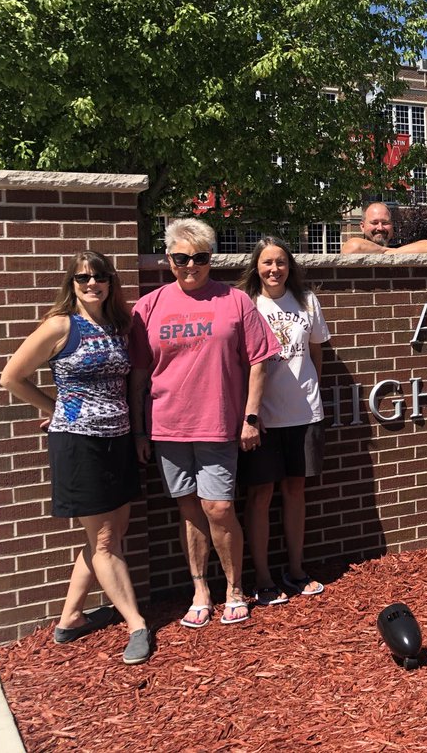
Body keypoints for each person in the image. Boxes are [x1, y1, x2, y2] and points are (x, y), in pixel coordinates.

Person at [0, 252, 152, 665]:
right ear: (72, 282)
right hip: (79, 444)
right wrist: (53, 408)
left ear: (110, 281)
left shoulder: (119, 325)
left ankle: (69, 618)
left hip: (117, 440)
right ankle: (136, 624)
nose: (92, 283)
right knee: (105, 541)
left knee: (109, 536)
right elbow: (11, 377)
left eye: (100, 276)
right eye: (83, 276)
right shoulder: (60, 325)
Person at [128, 218, 280, 628]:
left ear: (211, 259)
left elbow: (260, 361)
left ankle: (234, 588)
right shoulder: (149, 306)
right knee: (190, 510)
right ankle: (200, 589)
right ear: (168, 259)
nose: (190, 265)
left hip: (218, 424)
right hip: (167, 426)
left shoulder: (234, 301)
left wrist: (251, 416)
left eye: (200, 258)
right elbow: (140, 375)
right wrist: (140, 430)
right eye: (181, 258)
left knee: (218, 507)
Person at [237, 237, 330, 604]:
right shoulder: (245, 303)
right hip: (261, 418)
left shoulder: (306, 301)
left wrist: (312, 391)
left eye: (281, 262)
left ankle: (296, 570)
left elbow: (315, 353)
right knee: (260, 494)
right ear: (256, 267)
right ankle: (262, 578)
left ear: (289, 266)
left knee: (295, 491)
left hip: (304, 413)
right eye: (267, 263)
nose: (274, 269)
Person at [340, 202, 427, 254]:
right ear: (362, 226)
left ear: (393, 225)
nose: (380, 227)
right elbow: (352, 247)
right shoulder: (358, 250)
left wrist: (393, 251)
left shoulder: (402, 248)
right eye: (374, 222)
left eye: (385, 222)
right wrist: (387, 251)